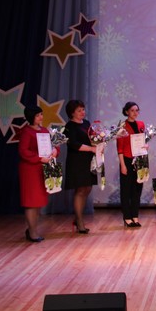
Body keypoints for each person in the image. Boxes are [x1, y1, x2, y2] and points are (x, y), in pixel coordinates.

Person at [18, 106, 55, 242]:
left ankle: (32, 230)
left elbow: (53, 145)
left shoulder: (44, 130)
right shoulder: (26, 131)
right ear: (31, 117)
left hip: (41, 169)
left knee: (38, 201)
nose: (41, 117)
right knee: (31, 202)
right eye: (38, 115)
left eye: (41, 114)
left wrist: (55, 151)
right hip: (30, 170)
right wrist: (39, 158)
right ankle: (33, 232)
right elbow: (23, 151)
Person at [64, 99, 97, 234]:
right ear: (72, 113)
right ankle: (79, 221)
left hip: (88, 160)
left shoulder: (87, 123)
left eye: (83, 109)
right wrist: (91, 148)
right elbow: (73, 144)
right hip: (76, 161)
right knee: (80, 189)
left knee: (87, 188)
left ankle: (78, 217)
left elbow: (93, 138)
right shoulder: (69, 126)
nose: (82, 112)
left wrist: (99, 143)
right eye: (79, 110)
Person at [116, 101, 146, 228]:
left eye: (137, 110)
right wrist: (122, 165)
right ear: (127, 111)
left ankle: (135, 216)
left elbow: (143, 140)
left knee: (137, 189)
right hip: (127, 160)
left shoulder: (141, 124)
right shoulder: (122, 126)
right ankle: (127, 217)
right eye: (132, 110)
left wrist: (145, 146)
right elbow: (120, 148)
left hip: (139, 160)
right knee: (126, 190)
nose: (135, 113)